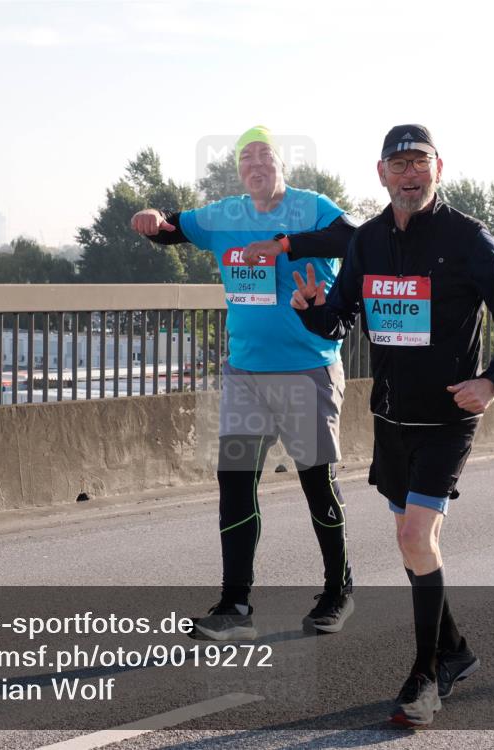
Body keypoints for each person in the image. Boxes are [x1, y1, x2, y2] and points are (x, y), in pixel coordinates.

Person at [291, 124, 494, 726]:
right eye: (398, 164)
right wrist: (311, 312)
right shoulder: (369, 241)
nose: (409, 174)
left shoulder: (470, 239)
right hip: (390, 416)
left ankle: (424, 679)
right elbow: (339, 319)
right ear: (381, 174)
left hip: (447, 416)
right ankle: (454, 651)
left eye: (418, 162)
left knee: (413, 540)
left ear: (438, 168)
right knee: (415, 544)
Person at [130, 126, 357, 640]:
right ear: (239, 172)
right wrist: (150, 220)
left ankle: (338, 590)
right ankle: (235, 605)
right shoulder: (224, 215)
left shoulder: (309, 206)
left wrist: (282, 246)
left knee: (315, 479)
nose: (256, 165)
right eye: (246, 159)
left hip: (307, 367)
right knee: (234, 483)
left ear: (281, 165)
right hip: (246, 372)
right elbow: (174, 229)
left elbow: (352, 238)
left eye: (265, 155)